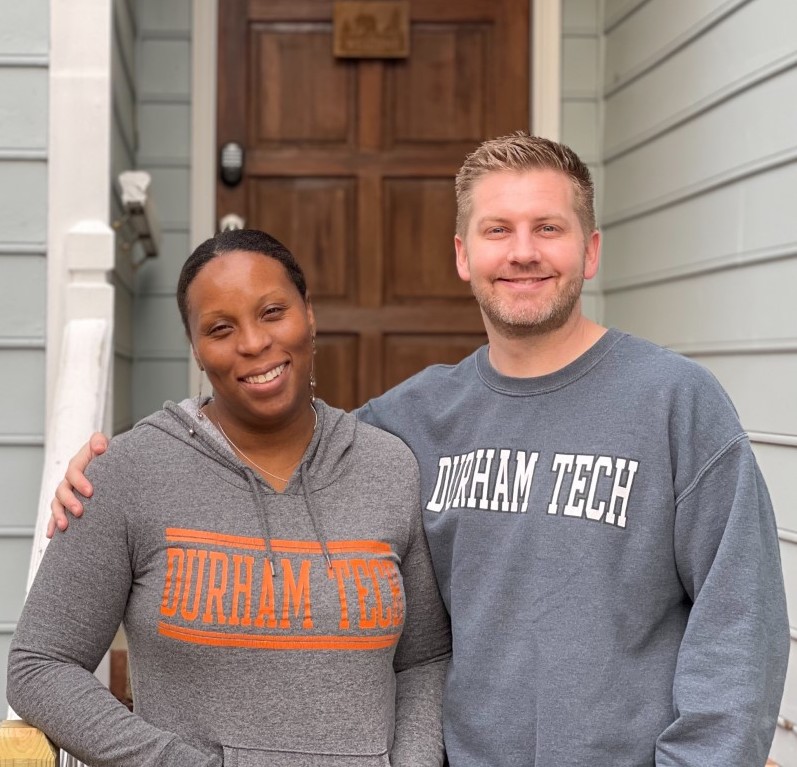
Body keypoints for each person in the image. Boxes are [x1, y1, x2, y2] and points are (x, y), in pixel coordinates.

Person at [48, 133, 789, 766]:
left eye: (548, 229)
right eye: (498, 230)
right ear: (463, 255)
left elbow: (740, 627)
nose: (523, 252)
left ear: (589, 250)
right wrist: (109, 471)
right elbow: (266, 444)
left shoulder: (674, 402)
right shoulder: (407, 421)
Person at [8, 229, 451, 767]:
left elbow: (424, 660)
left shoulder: (388, 467)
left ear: (308, 314)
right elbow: (40, 665)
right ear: (195, 348)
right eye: (220, 328)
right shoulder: (129, 473)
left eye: (271, 312)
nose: (253, 343)